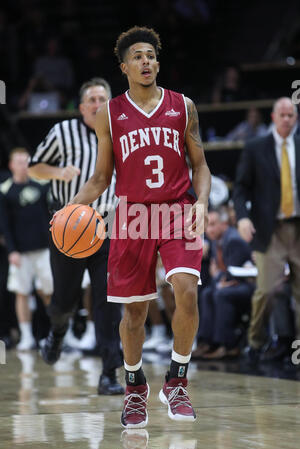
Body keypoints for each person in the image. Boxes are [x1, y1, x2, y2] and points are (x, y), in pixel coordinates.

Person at [67, 26, 211, 427]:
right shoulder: (108, 114)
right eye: (138, 57)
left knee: (186, 289)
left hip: (177, 210)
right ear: (124, 66)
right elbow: (100, 179)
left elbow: (200, 166)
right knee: (134, 314)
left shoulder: (184, 106)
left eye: (151, 55)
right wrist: (68, 210)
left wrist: (201, 202)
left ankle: (177, 381)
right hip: (131, 216)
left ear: (157, 63)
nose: (146, 61)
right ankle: (134, 388)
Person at [28, 77, 124, 395]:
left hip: (107, 227)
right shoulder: (62, 132)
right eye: (92, 99)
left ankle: (109, 373)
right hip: (68, 227)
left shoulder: (122, 134)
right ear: (82, 107)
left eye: (103, 98)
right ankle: (57, 330)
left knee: (108, 303)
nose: (98, 104)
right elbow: (33, 168)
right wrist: (58, 172)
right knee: (63, 301)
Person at [233, 97, 300, 362]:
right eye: (282, 114)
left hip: (297, 226)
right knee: (268, 290)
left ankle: (293, 346)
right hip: (269, 228)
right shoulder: (255, 147)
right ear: (273, 117)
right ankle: (256, 342)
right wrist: (242, 217)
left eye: (291, 115)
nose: (286, 119)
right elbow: (240, 188)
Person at [0, 148, 53, 350]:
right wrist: (12, 251)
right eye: (20, 162)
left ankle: (55, 334)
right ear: (11, 165)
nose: (24, 165)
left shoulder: (41, 186)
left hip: (44, 249)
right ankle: (27, 336)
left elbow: (51, 216)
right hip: (20, 252)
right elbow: (4, 225)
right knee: (21, 293)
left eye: (27, 162)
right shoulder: (5, 191)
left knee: (48, 292)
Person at [192, 208, 255, 360]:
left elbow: (232, 276)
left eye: (213, 224)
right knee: (207, 292)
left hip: (248, 285)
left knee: (220, 294)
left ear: (224, 224)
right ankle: (207, 342)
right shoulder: (217, 240)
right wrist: (219, 276)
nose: (209, 229)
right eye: (207, 225)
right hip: (231, 284)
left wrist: (218, 275)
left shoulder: (233, 239)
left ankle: (227, 345)